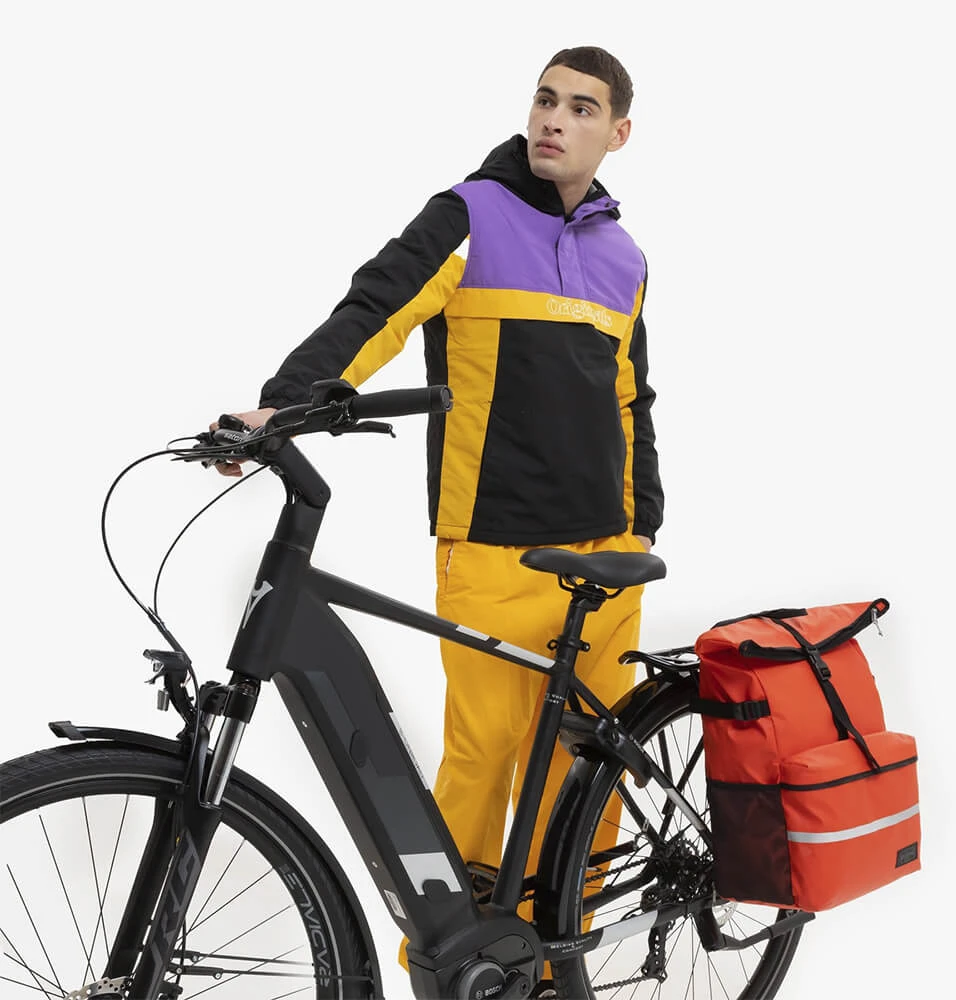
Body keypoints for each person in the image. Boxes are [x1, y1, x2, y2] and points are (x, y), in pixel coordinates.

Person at [213, 44, 663, 995]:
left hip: (607, 550)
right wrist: (283, 405)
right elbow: (375, 306)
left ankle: (559, 968)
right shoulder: (471, 214)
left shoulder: (624, 257)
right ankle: (453, 970)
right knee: (483, 760)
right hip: (496, 546)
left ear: (617, 133)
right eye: (546, 99)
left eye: (582, 108)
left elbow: (633, 398)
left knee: (587, 777)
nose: (554, 119)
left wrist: (644, 523)